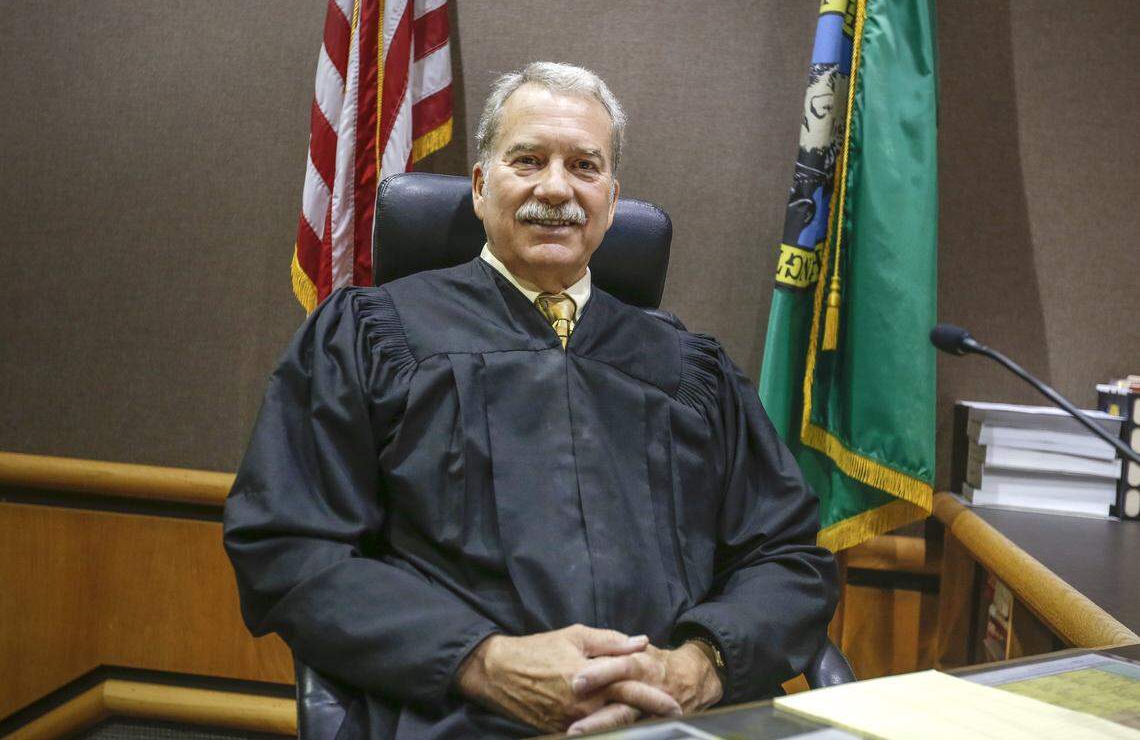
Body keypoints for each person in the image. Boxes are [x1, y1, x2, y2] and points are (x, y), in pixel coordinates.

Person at [224, 61, 838, 738]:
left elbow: (787, 558)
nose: (557, 188)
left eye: (584, 166)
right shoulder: (371, 338)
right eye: (528, 160)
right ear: (483, 187)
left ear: (610, 196)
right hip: (457, 713)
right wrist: (482, 661)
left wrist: (701, 664)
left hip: (672, 719)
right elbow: (288, 545)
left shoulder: (690, 372)